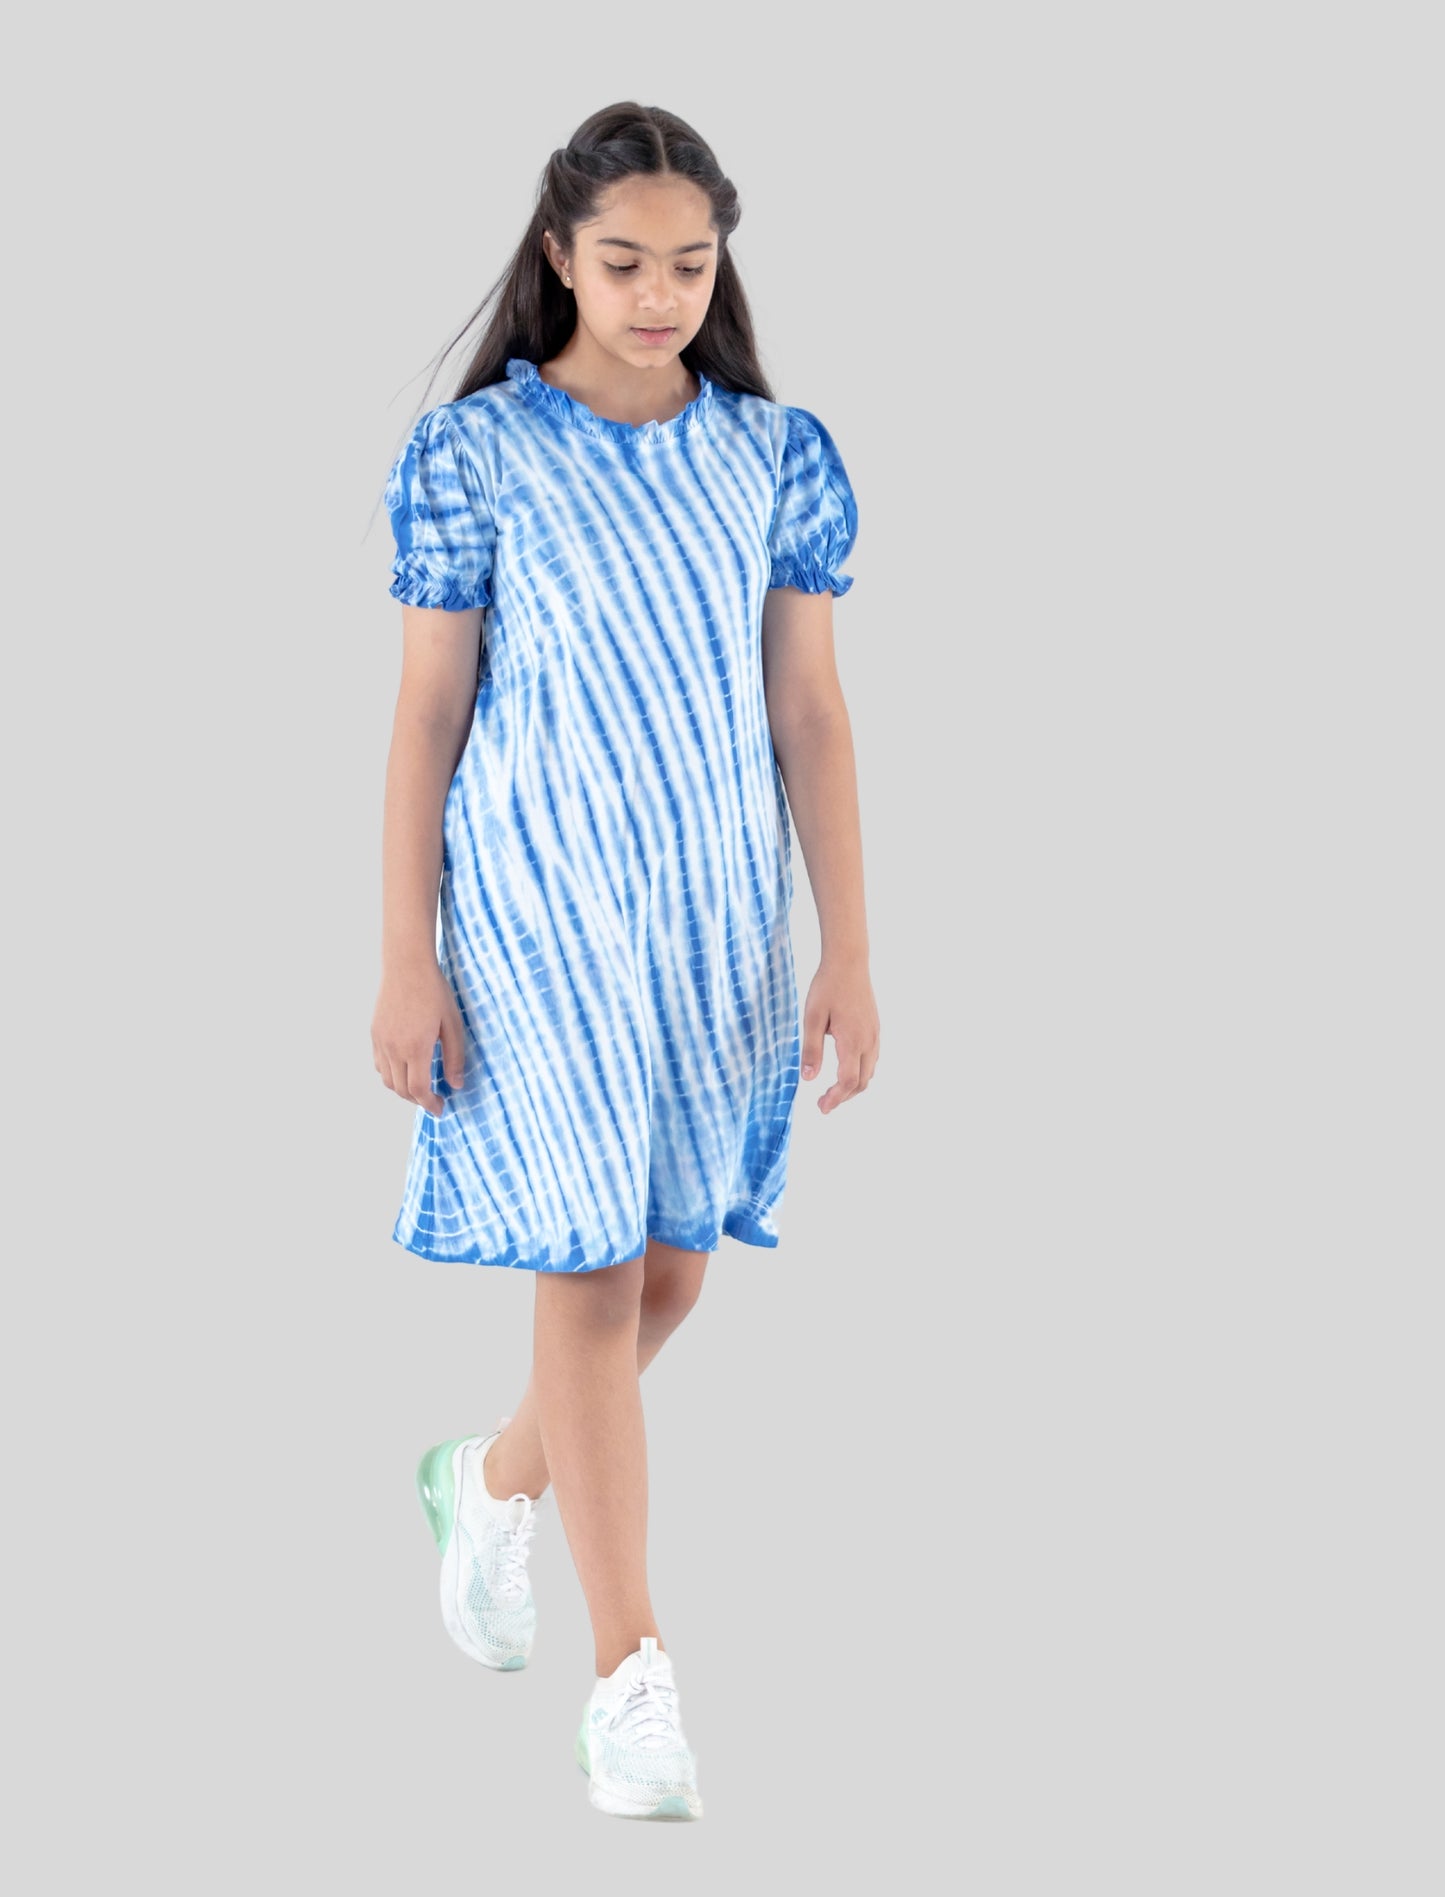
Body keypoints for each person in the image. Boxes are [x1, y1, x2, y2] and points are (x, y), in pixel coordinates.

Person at [371, 100, 879, 1822]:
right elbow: (426, 714)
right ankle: (630, 1676)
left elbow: (809, 712)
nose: (658, 296)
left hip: (715, 913)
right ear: (557, 258)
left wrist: (849, 945)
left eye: (688, 264)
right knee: (587, 1271)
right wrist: (404, 954)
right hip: (536, 911)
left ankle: (490, 1478)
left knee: (670, 1267)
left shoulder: (774, 455)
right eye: (622, 263)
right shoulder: (476, 456)